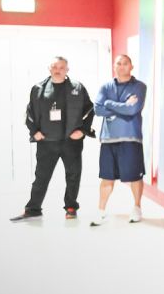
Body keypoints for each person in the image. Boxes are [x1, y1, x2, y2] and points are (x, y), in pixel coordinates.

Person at [10, 56, 94, 221]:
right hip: (47, 142)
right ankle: (33, 209)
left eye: (62, 67)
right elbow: (29, 112)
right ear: (49, 68)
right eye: (55, 66)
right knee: (41, 177)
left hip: (72, 142)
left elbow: (89, 110)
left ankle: (71, 207)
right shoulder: (38, 88)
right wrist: (34, 131)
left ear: (67, 70)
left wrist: (83, 130)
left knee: (73, 175)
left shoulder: (77, 88)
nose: (58, 70)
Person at [90, 54, 147, 225]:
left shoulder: (139, 86)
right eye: (118, 64)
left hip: (131, 138)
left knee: (135, 177)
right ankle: (101, 211)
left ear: (131, 66)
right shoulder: (105, 87)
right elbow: (98, 110)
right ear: (114, 66)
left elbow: (132, 110)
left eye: (125, 64)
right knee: (106, 177)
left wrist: (109, 103)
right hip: (108, 139)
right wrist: (121, 105)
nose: (121, 66)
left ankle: (137, 208)